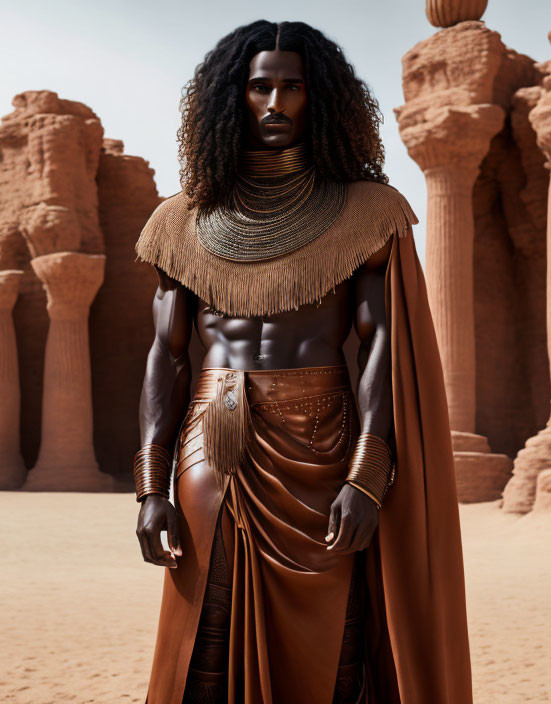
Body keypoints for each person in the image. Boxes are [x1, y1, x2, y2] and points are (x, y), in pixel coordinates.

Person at [133, 19, 472, 704]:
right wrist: (149, 486)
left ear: (321, 99)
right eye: (260, 87)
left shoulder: (367, 214)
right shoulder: (178, 222)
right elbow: (167, 357)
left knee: (333, 654)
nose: (276, 105)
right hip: (211, 446)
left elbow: (384, 351)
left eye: (293, 87)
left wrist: (369, 476)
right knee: (207, 640)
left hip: (323, 447)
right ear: (234, 96)